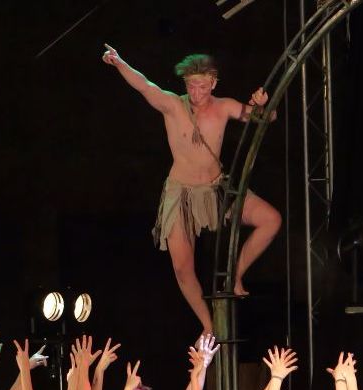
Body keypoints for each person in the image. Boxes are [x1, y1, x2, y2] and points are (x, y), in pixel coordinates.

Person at [102, 47, 282, 334]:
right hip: (182, 194)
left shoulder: (224, 107)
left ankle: (235, 274)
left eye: (202, 86)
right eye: (191, 86)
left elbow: (265, 118)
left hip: (216, 190)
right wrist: (119, 62)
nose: (196, 93)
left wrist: (263, 105)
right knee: (182, 268)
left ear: (213, 83)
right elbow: (145, 85)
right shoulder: (174, 105)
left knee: (271, 219)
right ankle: (208, 326)